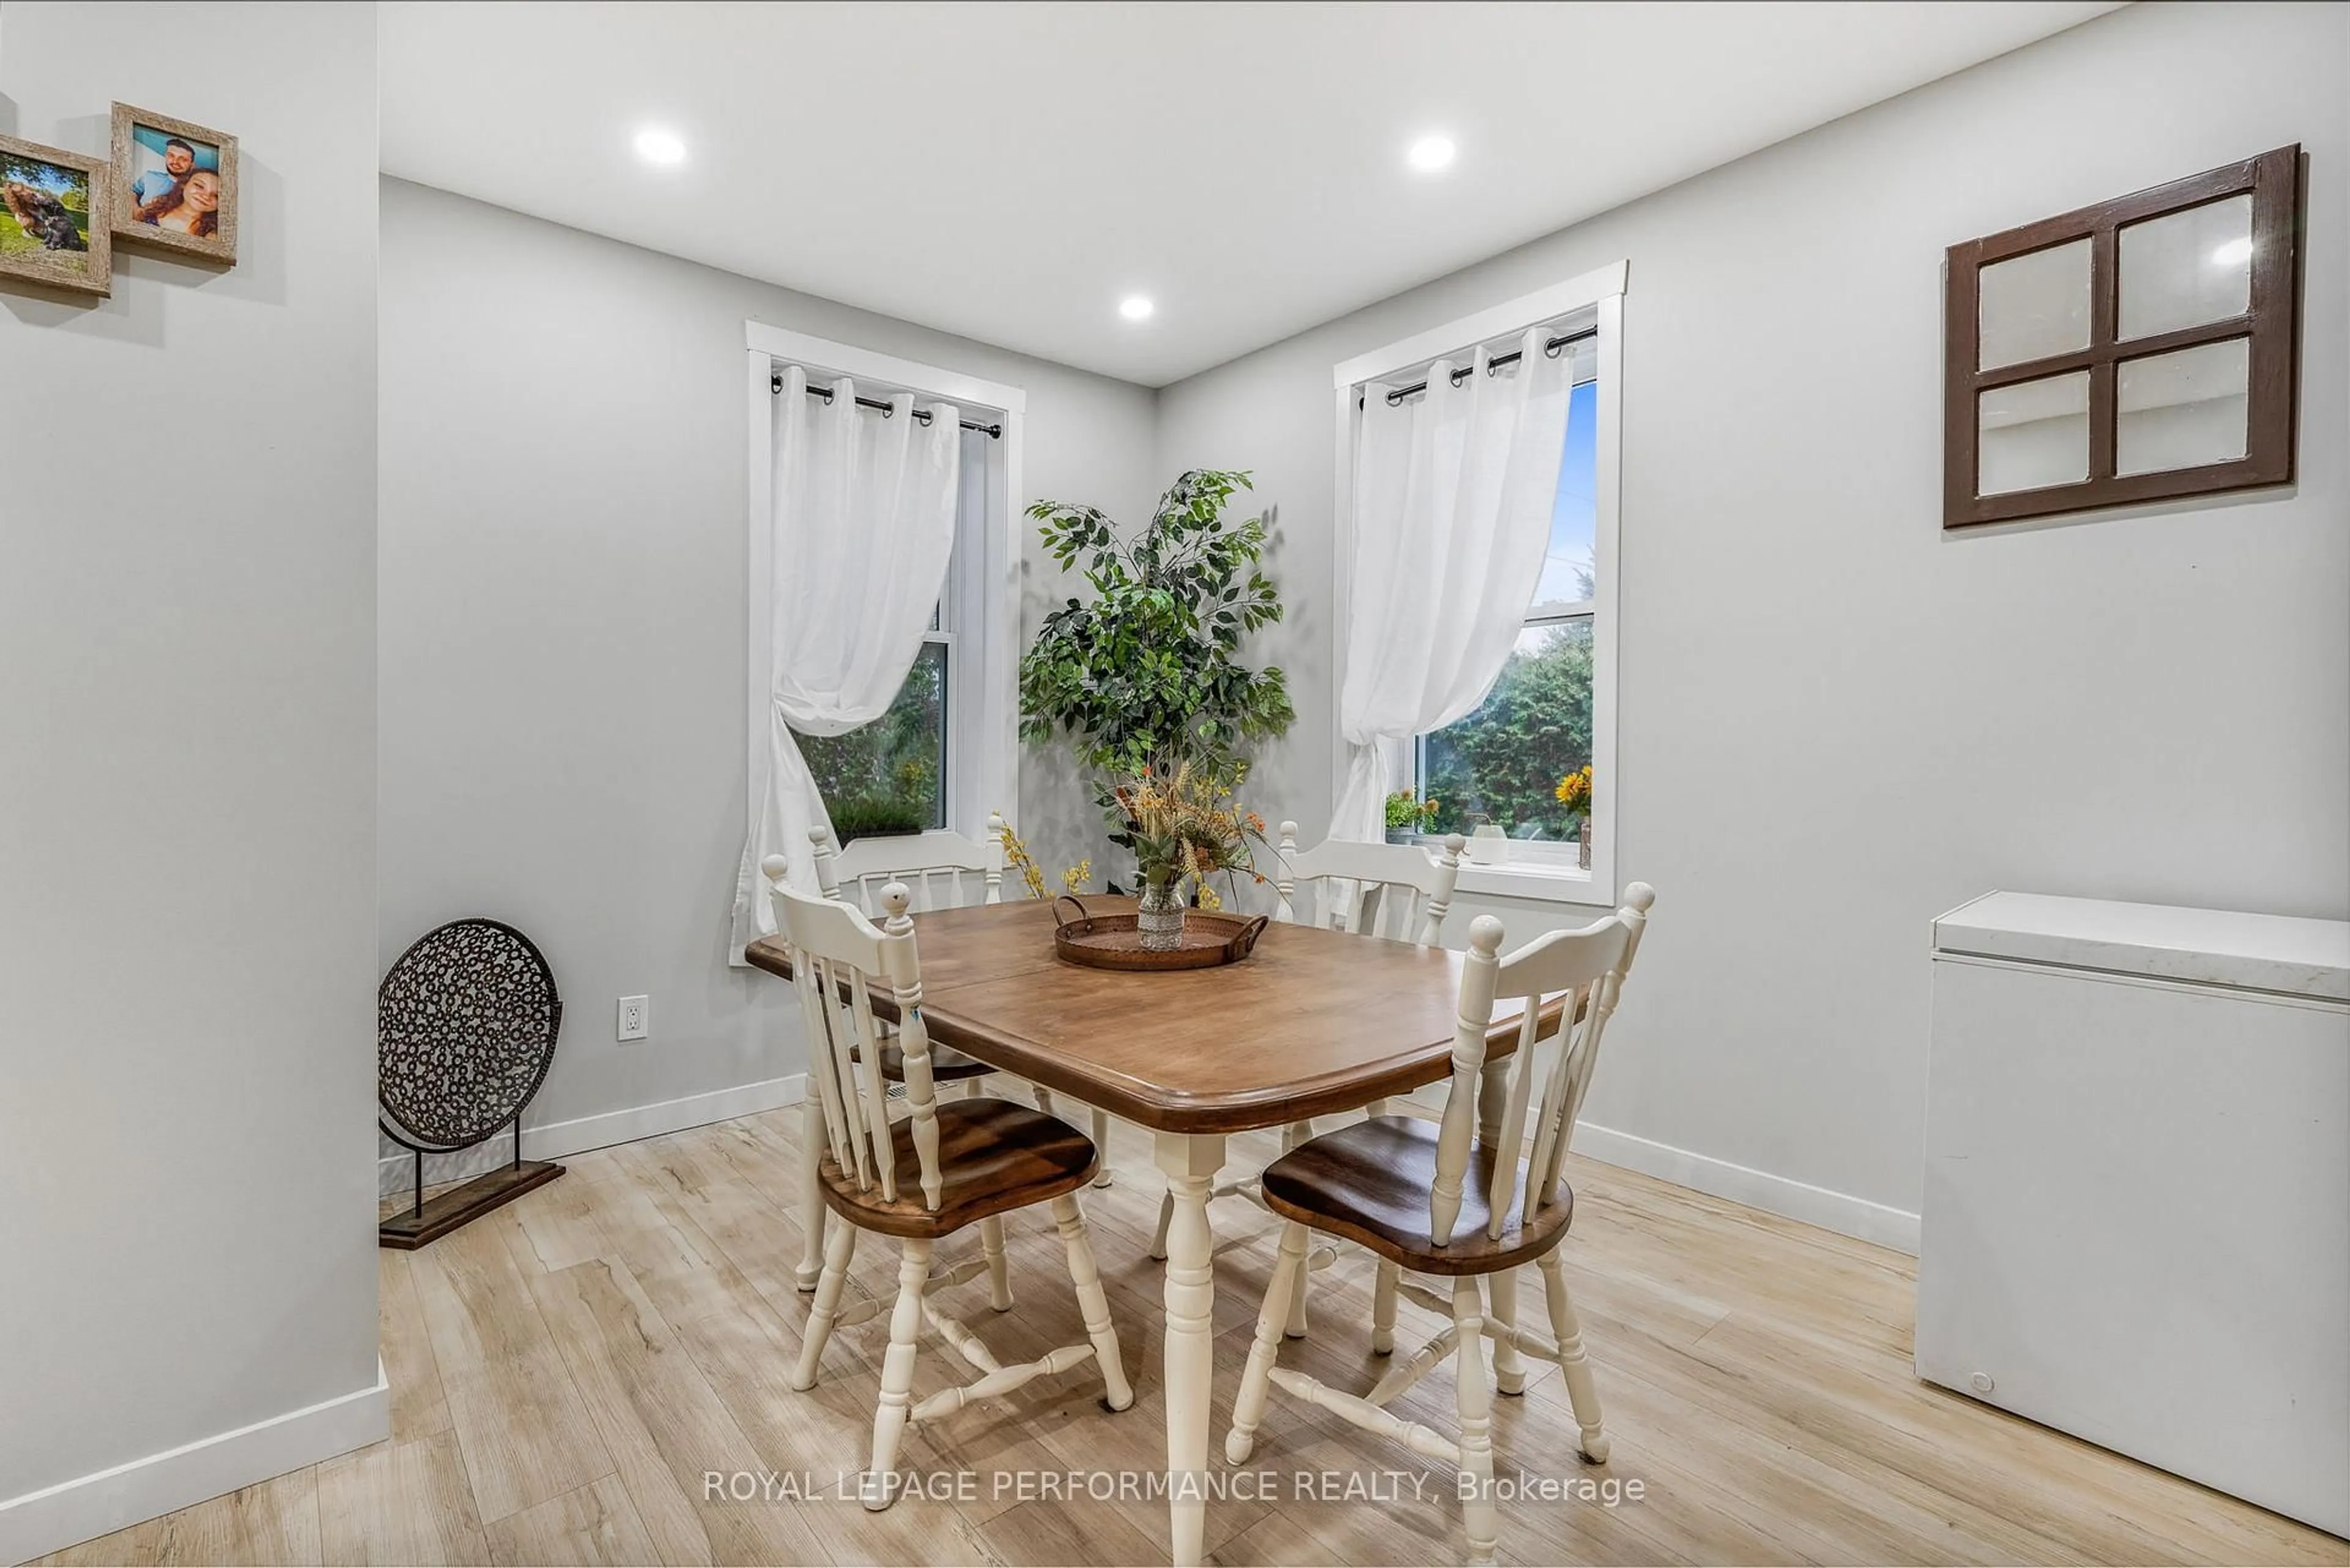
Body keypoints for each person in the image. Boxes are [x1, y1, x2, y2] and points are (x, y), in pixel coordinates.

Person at [136, 167, 220, 238]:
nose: (206, 196)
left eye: (217, 195)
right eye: (199, 186)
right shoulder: (153, 207)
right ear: (184, 184)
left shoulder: (215, 234)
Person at [127, 136, 196, 209]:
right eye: (171, 156)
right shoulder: (150, 176)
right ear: (166, 156)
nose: (175, 162)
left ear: (192, 165)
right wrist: (135, 209)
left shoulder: (196, 191)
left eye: (183, 159)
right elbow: (133, 192)